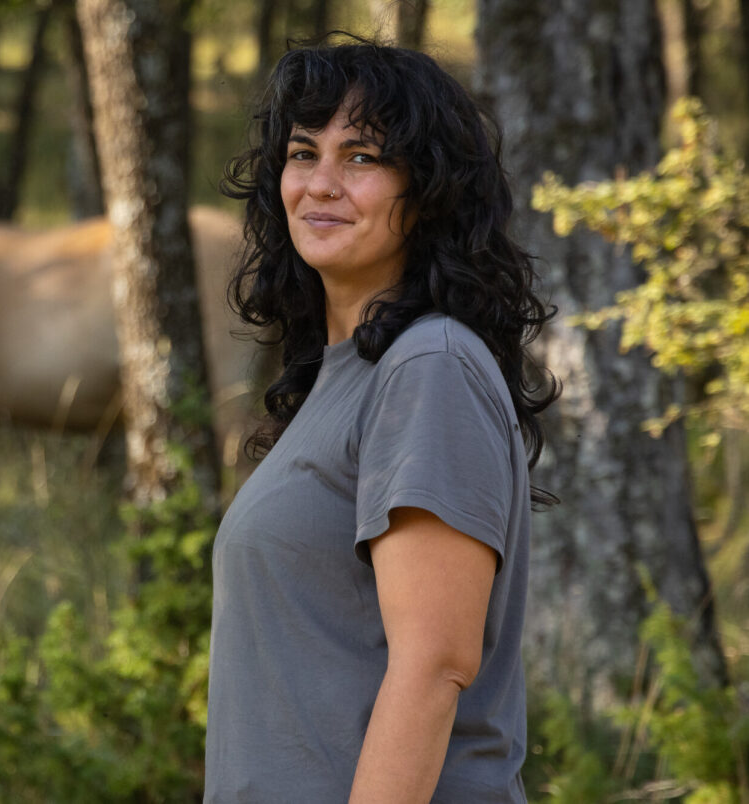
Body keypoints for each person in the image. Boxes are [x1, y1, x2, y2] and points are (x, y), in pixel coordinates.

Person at [204, 36, 559, 803]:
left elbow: (434, 667)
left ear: (427, 190)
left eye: (362, 157)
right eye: (304, 154)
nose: (322, 184)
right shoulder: (349, 373)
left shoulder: (428, 364)